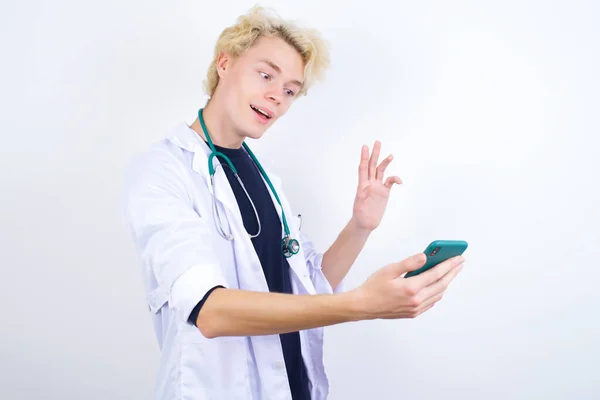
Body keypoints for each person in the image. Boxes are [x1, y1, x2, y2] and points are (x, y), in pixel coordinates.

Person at [121, 5, 465, 400]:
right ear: (225, 63)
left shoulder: (262, 176)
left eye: (289, 90)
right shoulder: (162, 171)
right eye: (265, 74)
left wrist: (360, 226)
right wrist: (361, 306)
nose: (276, 97)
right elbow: (210, 312)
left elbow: (308, 288)